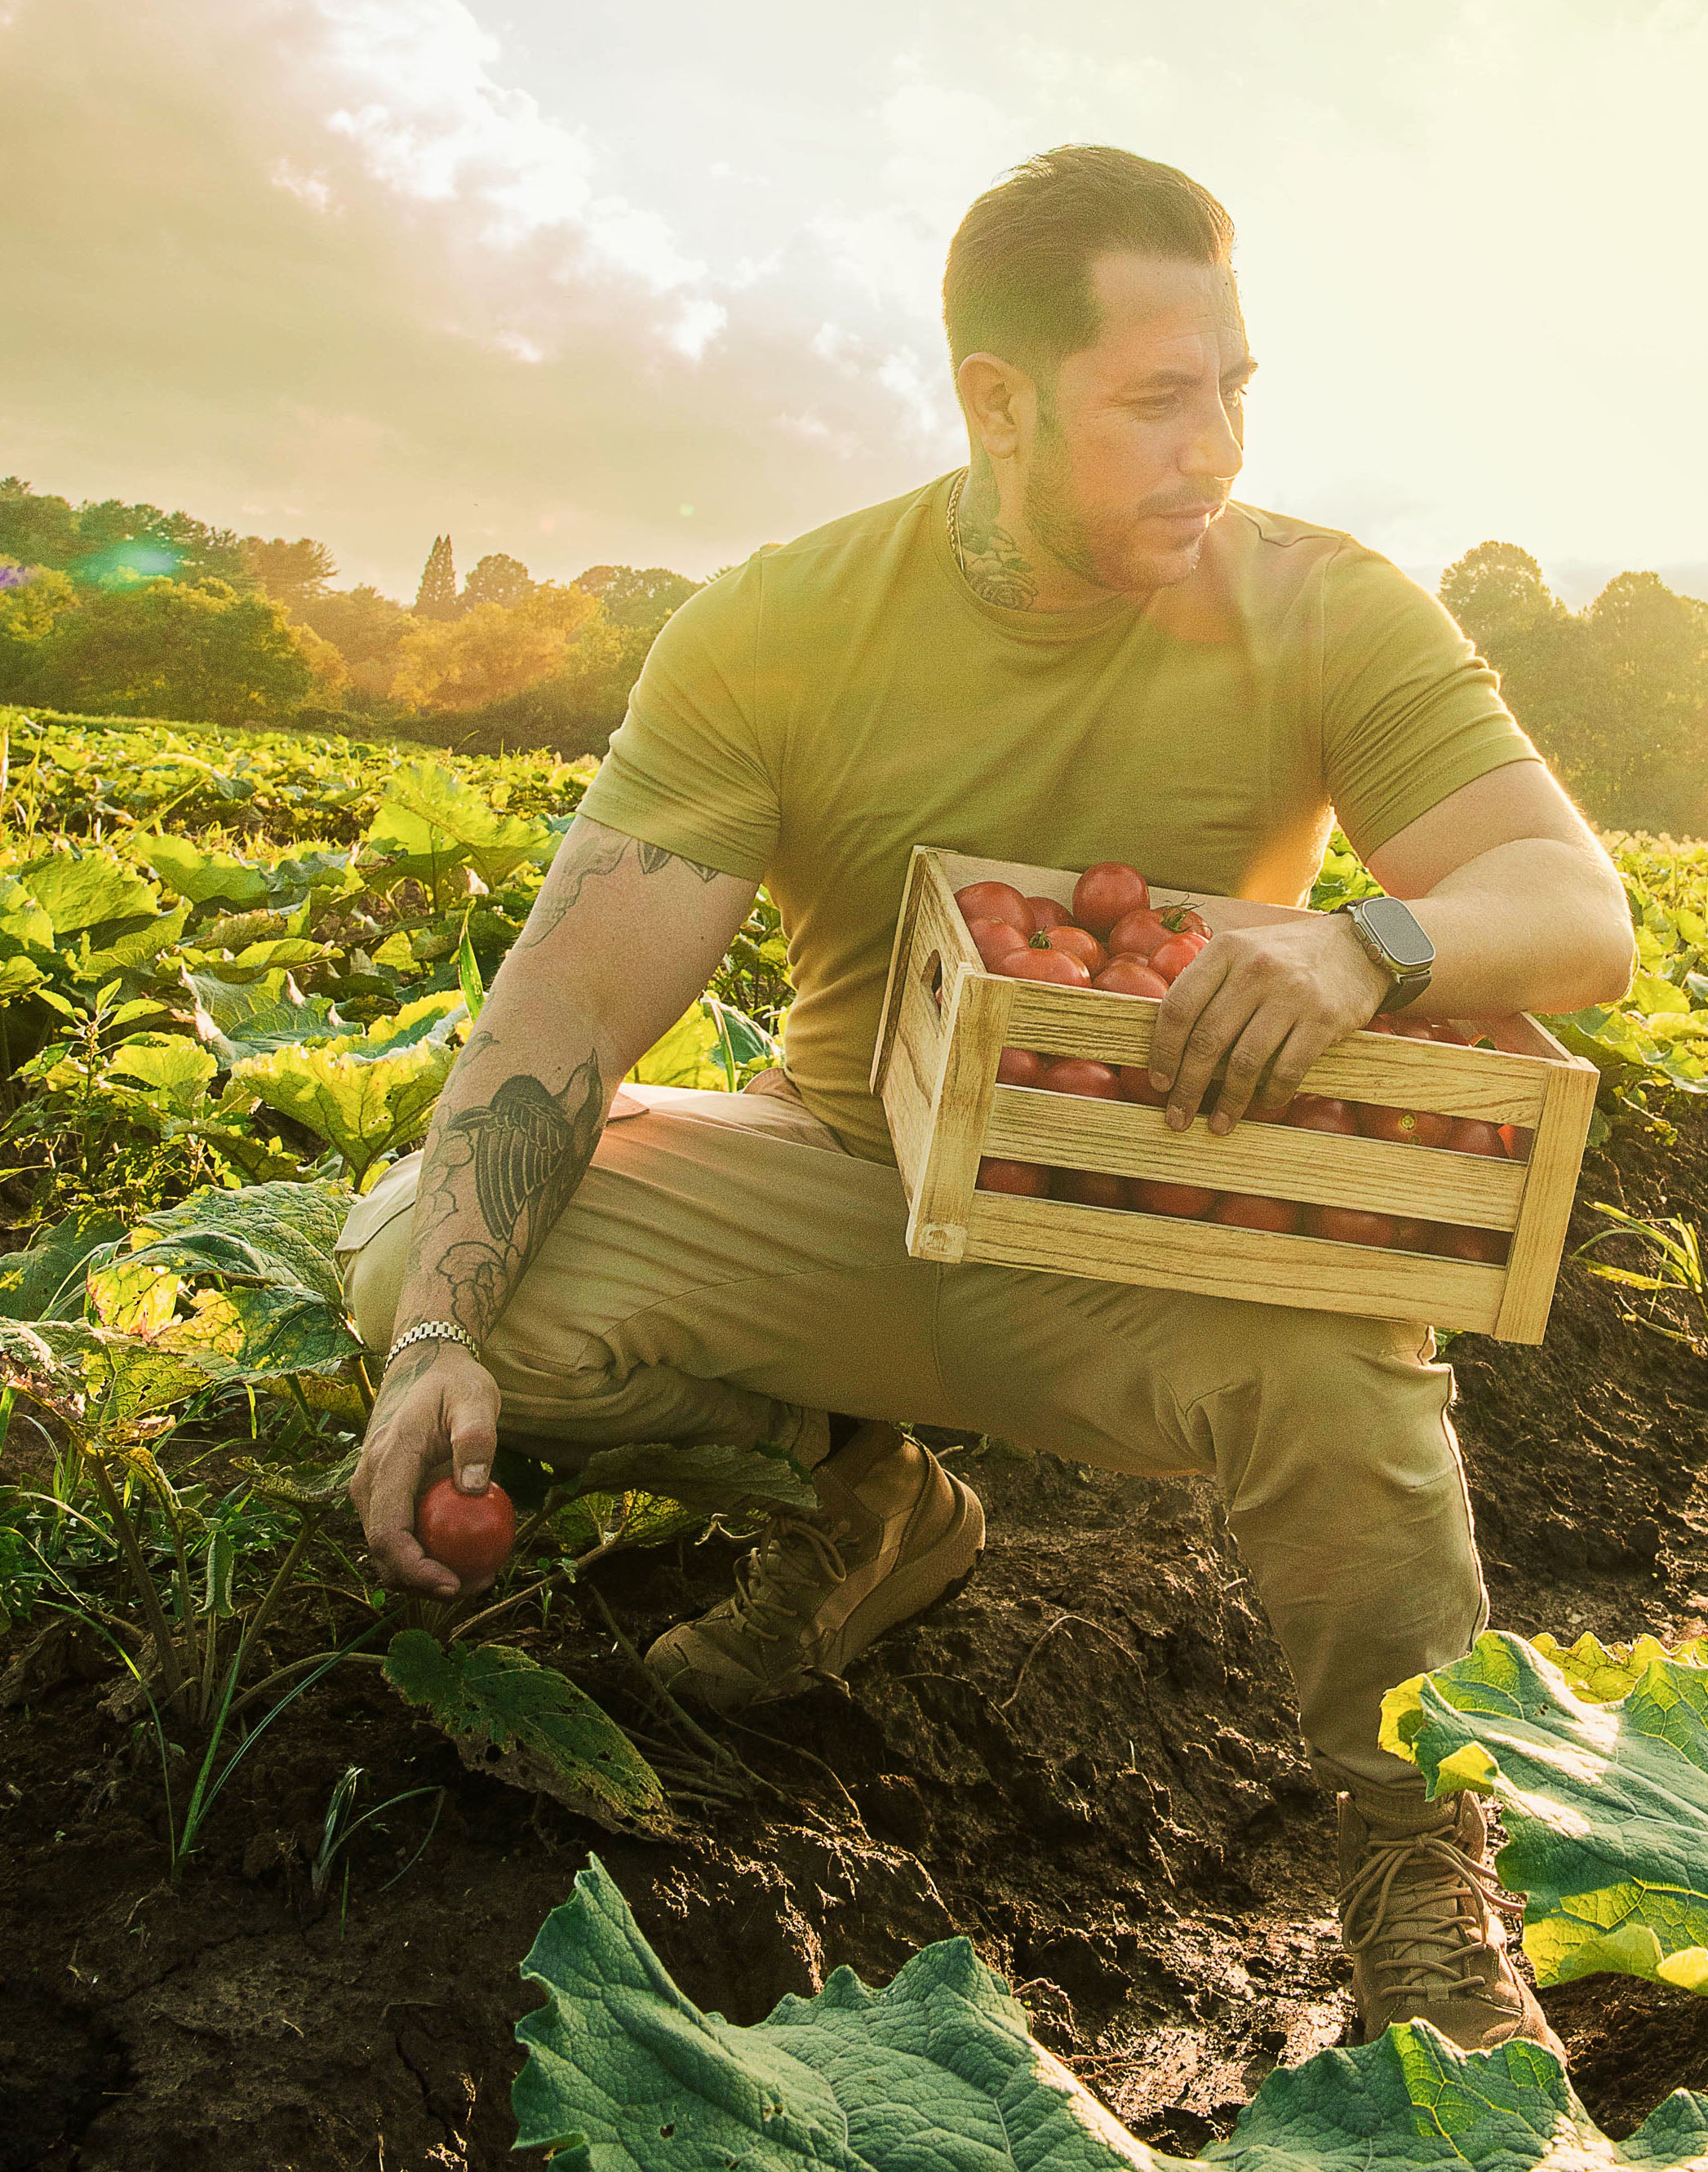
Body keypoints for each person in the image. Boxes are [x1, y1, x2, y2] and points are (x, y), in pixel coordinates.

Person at [342, 144, 1635, 2058]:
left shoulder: (1326, 607)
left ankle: (1417, 1878)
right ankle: (861, 1509)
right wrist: (441, 1328)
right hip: (846, 1195)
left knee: (1350, 1380)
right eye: (1152, 399)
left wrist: (1365, 943)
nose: (1210, 445)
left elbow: (1573, 908)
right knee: (412, 1267)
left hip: (1143, 1220)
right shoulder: (780, 625)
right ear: (997, 402)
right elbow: (564, 1012)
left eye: (1234, 388)